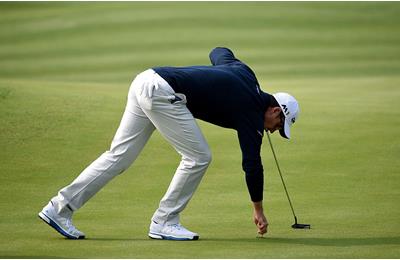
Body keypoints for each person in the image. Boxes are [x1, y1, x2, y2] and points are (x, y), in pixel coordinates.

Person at [38, 47, 299, 241]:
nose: (274, 131)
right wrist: (259, 211)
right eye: (278, 127)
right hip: (163, 93)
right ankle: (164, 221)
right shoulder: (252, 113)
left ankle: (59, 208)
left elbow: (219, 51)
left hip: (146, 79)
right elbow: (252, 165)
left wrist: (223, 79)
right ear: (275, 111)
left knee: (119, 156)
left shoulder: (245, 74)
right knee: (199, 157)